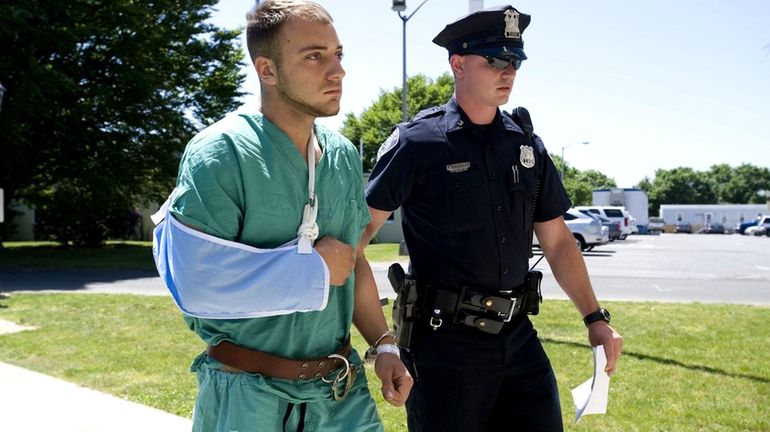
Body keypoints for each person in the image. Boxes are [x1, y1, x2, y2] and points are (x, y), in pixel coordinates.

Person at [360, 5, 623, 431]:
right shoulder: (417, 144)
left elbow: (556, 242)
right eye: (494, 60)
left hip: (517, 337)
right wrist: (384, 344)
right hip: (444, 344)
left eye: (514, 61)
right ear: (458, 64)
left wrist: (595, 319)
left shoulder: (525, 145)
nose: (508, 71)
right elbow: (358, 237)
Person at [151, 1, 411, 431]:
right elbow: (196, 285)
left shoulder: (343, 156)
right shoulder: (220, 154)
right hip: (247, 397)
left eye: (338, 54)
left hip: (339, 393)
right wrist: (309, 269)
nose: (337, 71)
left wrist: (384, 346)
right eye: (314, 56)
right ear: (267, 70)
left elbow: (352, 260)